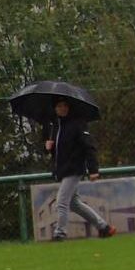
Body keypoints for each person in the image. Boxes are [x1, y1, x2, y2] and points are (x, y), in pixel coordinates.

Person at [42, 97, 117, 241]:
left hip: (74, 169)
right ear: (55, 108)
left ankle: (60, 234)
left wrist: (93, 169)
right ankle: (104, 228)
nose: (62, 108)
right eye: (59, 106)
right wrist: (48, 148)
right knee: (74, 203)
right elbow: (58, 152)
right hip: (63, 170)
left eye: (65, 106)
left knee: (61, 201)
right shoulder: (55, 127)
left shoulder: (78, 124)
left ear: (69, 107)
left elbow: (89, 147)